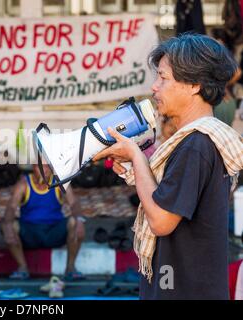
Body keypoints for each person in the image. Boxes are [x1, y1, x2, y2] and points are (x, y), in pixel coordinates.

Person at [93, 34, 243, 299]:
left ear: (194, 85)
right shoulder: (195, 142)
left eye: (163, 77)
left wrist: (136, 157)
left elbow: (161, 220)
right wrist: (135, 166)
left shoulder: (196, 145)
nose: (154, 87)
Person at [1, 164, 85, 280]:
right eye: (39, 166)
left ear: (51, 169)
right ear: (33, 168)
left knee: (75, 222)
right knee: (10, 226)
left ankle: (70, 269)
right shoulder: (24, 183)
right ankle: (23, 268)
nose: (43, 170)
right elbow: (11, 207)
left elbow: (74, 203)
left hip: (54, 232)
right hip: (30, 233)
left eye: (46, 167)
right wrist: (8, 225)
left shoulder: (59, 182)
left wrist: (79, 221)